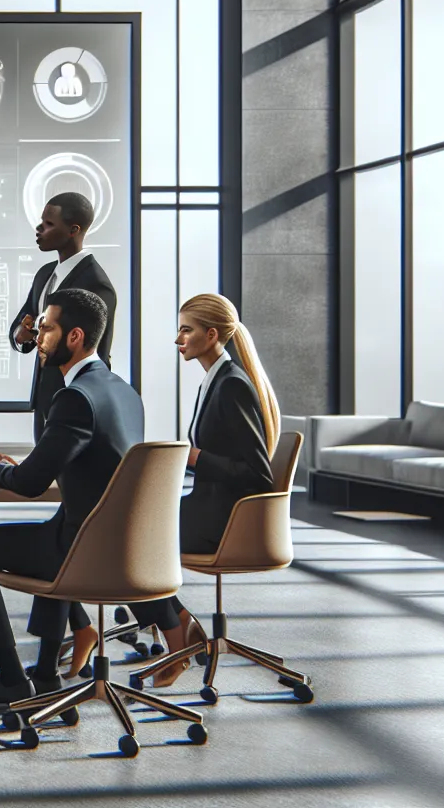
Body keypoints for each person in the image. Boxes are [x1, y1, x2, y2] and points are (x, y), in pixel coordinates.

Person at [0, 289, 144, 709]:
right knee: (54, 526)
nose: (37, 338)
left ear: (74, 337)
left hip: (84, 552)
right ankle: (44, 673)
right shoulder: (122, 391)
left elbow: (32, 482)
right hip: (121, 544)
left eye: (47, 329)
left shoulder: (75, 397)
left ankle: (11, 678)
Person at [135, 292, 282, 688]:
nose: (178, 339)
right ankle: (178, 623)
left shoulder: (232, 385)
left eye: (186, 330)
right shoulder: (214, 380)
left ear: (212, 334)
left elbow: (258, 475)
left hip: (225, 520)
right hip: (209, 506)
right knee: (130, 524)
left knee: (129, 538)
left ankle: (176, 628)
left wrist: (195, 458)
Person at [7, 191, 118, 643]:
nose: (39, 229)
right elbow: (22, 330)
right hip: (46, 402)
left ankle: (156, 620)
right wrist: (22, 334)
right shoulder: (43, 273)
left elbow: (97, 359)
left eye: (48, 223)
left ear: (74, 229)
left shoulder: (98, 283)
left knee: (75, 512)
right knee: (67, 512)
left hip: (74, 410)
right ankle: (81, 627)